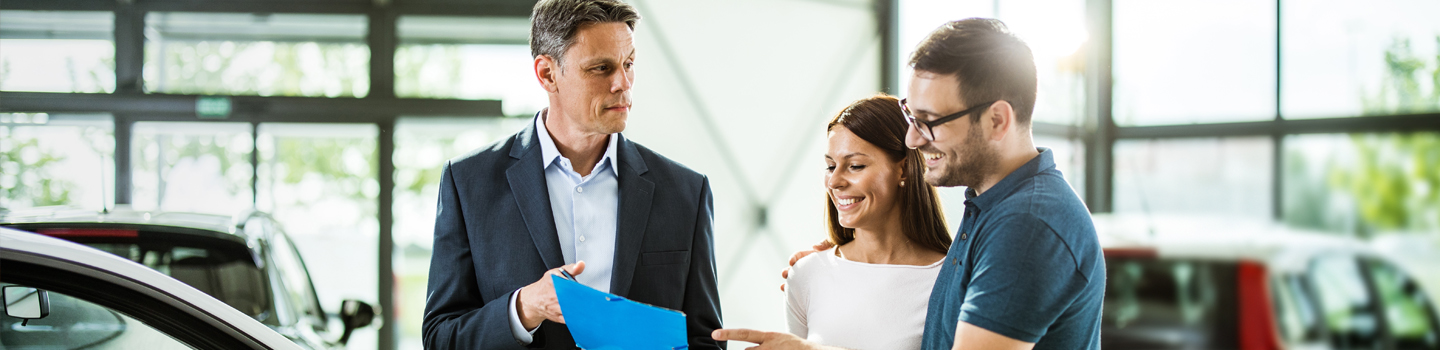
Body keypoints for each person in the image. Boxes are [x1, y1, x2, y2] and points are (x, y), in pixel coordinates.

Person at [714, 18, 1104, 350]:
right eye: (910, 116)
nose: (914, 140)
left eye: (929, 121)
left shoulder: (1028, 225)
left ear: (997, 120)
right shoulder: (992, 206)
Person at [422, 0, 724, 349]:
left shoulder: (686, 192)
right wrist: (524, 308)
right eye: (601, 68)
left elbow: (706, 341)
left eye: (629, 64)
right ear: (547, 74)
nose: (622, 83)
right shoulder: (468, 184)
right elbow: (440, 339)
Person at [783, 95, 952, 349]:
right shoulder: (806, 275)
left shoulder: (948, 279)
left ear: (903, 170)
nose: (835, 182)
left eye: (855, 166)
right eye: (831, 166)